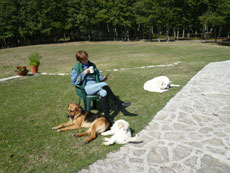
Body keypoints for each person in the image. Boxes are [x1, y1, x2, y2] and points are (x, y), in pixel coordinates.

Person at [71, 50, 131, 124]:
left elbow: (98, 75)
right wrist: (83, 73)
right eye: (84, 60)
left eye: (86, 58)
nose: (86, 61)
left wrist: (102, 78)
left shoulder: (92, 65)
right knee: (103, 84)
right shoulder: (76, 68)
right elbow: (74, 81)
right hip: (86, 88)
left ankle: (107, 117)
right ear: (80, 60)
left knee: (104, 92)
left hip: (96, 85)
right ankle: (119, 104)